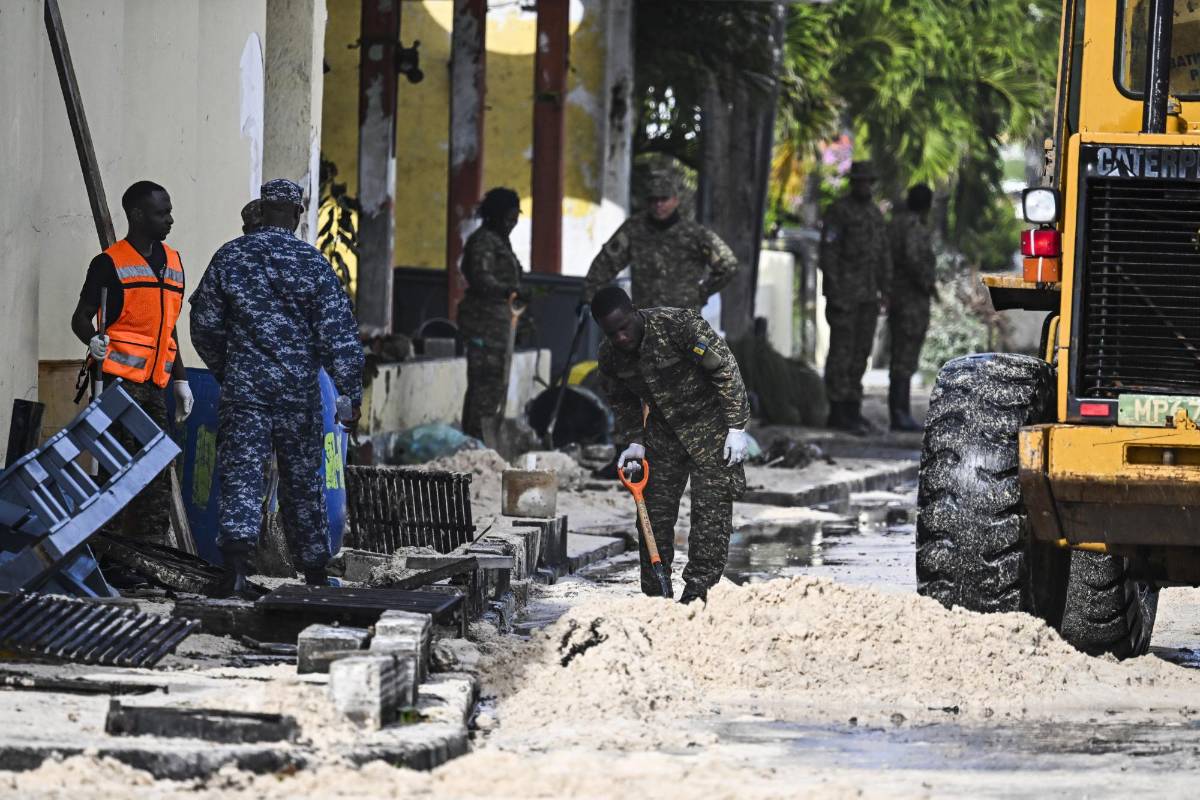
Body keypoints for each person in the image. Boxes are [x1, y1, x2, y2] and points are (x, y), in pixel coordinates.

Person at [189, 179, 364, 596]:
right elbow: (340, 339)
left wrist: (228, 369)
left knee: (240, 476)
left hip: (245, 390)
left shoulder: (230, 256)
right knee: (303, 480)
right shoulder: (314, 263)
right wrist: (348, 400)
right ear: (298, 213)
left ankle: (235, 573)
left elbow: (203, 325)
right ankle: (316, 575)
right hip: (297, 393)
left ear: (263, 210)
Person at [593, 286, 751, 604]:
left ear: (634, 312)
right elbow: (622, 400)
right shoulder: (610, 356)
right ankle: (656, 594)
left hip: (711, 429)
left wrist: (736, 426)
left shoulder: (679, 326)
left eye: (624, 327)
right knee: (653, 514)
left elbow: (724, 369)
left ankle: (698, 591)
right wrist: (634, 442)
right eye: (613, 333)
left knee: (711, 514)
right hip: (664, 434)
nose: (621, 337)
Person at [71, 180, 193, 546]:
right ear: (137, 215)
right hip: (117, 386)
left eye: (169, 210)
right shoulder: (109, 263)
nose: (170, 219)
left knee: (155, 471)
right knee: (116, 472)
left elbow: (167, 329)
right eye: (161, 212)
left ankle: (148, 553)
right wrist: (91, 340)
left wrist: (180, 380)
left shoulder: (173, 262)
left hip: (154, 387)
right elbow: (81, 318)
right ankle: (111, 554)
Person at [582, 171, 739, 311]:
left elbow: (728, 265)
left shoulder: (694, 234)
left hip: (683, 319)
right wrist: (589, 298)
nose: (658, 205)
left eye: (664, 199)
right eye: (653, 200)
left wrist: (703, 292)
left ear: (675, 201)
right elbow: (606, 263)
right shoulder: (633, 229)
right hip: (646, 318)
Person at [819, 161, 892, 436]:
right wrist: (835, 292)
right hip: (845, 295)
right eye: (860, 181)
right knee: (842, 352)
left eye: (868, 181)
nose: (864, 186)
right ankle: (837, 410)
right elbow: (829, 254)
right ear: (853, 183)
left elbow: (882, 254)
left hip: (868, 296)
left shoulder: (874, 214)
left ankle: (853, 408)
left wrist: (885, 290)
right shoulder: (839, 212)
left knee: (861, 353)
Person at [458, 187, 527, 441]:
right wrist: (508, 290)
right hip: (482, 325)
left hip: (500, 327)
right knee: (484, 383)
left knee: (495, 383)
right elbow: (481, 277)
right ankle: (476, 437)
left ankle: (483, 437)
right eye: (508, 217)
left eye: (515, 218)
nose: (513, 223)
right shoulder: (484, 241)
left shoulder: (500, 241)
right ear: (496, 215)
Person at [887, 184, 937, 432]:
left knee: (899, 354)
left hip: (898, 296)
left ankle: (899, 411)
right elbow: (913, 259)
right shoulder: (914, 227)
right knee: (904, 357)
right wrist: (927, 283)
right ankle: (900, 413)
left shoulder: (895, 224)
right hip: (911, 299)